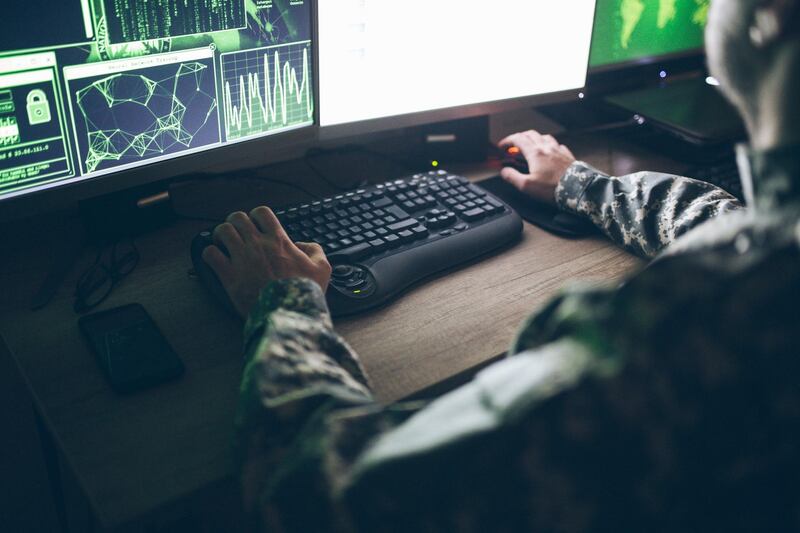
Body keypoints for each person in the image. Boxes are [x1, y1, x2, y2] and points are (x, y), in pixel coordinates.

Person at [202, 0, 800, 530]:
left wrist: (283, 303)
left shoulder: (689, 339)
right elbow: (741, 226)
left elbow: (318, 497)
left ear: (767, 19)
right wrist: (582, 185)